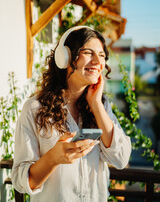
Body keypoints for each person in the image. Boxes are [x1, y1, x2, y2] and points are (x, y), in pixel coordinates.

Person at [11, 26, 131, 202]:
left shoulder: (101, 105)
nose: (98, 61)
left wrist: (96, 104)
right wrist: (53, 158)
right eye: (89, 53)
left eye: (102, 55)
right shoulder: (34, 108)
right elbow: (21, 182)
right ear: (65, 57)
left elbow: (120, 159)